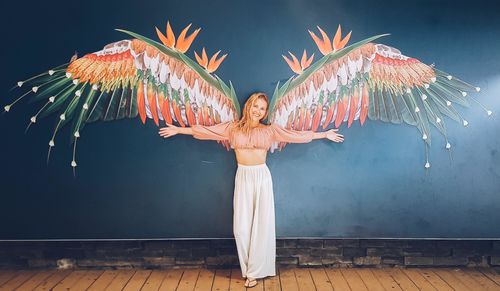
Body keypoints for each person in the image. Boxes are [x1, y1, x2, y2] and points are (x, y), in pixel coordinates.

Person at [159, 92, 344, 288]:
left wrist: (324, 134)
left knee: (261, 225)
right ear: (248, 106)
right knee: (241, 228)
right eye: (256, 106)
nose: (258, 111)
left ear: (265, 112)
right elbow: (206, 131)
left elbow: (295, 135)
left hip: (261, 177)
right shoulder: (233, 128)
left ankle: (254, 273)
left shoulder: (269, 130)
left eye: (262, 108)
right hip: (243, 176)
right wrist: (179, 130)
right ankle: (248, 269)